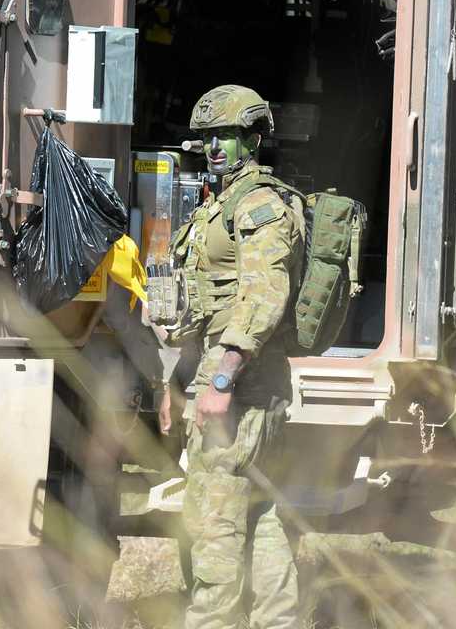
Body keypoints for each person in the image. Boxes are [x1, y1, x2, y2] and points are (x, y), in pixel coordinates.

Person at [164, 85, 304, 629]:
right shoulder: (221, 201)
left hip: (241, 388)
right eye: (207, 136)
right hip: (228, 380)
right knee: (261, 514)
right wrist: (179, 383)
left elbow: (264, 298)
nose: (214, 146)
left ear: (254, 137)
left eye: (226, 134)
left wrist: (220, 384)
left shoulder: (259, 204)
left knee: (215, 523)